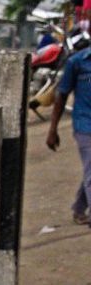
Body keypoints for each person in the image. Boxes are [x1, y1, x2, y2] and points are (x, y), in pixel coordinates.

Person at [47, 39, 91, 225]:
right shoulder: (77, 62)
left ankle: (79, 208)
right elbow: (62, 94)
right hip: (84, 124)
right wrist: (53, 129)